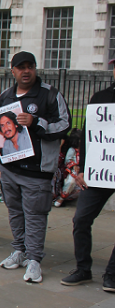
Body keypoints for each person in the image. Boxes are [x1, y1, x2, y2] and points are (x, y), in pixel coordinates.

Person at [0, 51, 71, 283]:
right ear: (13, 71)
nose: (26, 71)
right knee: (15, 212)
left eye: (30, 66)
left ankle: (35, 259)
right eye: (21, 67)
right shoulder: (5, 96)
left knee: (35, 215)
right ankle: (19, 250)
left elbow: (65, 125)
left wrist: (37, 122)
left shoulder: (49, 94)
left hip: (37, 170)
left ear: (35, 69)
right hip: (10, 168)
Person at [61, 59, 115, 291]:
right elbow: (88, 136)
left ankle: (112, 273)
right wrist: (82, 169)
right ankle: (83, 268)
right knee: (81, 219)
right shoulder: (100, 98)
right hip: (102, 171)